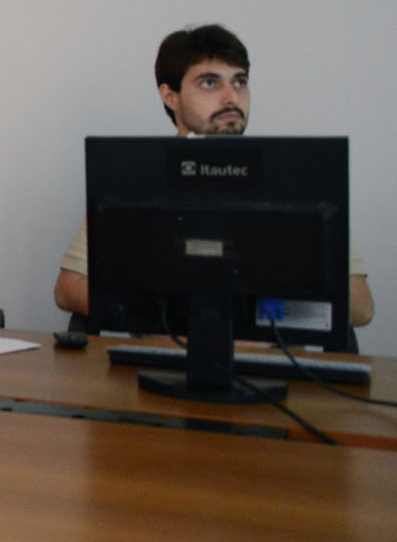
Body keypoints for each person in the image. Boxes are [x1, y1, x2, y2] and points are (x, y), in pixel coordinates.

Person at [51, 23, 375, 328]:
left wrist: (249, 325)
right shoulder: (136, 181)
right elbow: (69, 289)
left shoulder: (294, 179)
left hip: (271, 361)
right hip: (165, 357)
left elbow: (360, 306)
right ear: (170, 96)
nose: (231, 97)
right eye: (210, 83)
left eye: (240, 82)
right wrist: (177, 325)